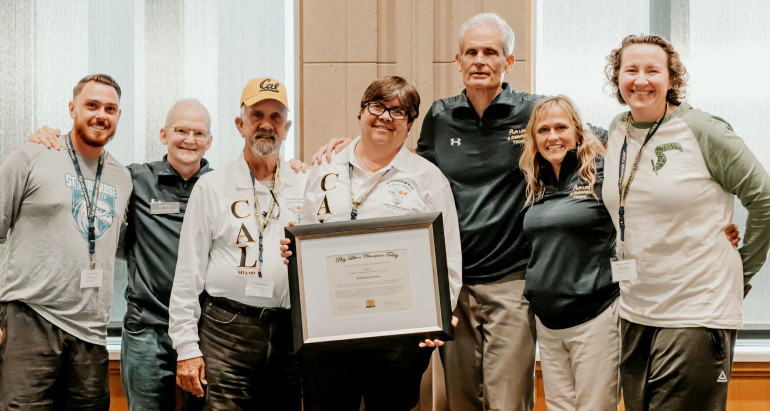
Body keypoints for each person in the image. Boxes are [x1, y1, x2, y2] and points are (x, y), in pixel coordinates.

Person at [312, 13, 541, 410]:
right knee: (461, 400)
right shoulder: (440, 114)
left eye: (491, 51)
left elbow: (578, 138)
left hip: (509, 280)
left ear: (509, 62)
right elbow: (410, 164)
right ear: (457, 60)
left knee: (506, 401)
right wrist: (361, 141)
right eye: (471, 51)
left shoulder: (534, 112)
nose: (480, 60)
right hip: (455, 286)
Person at [602, 35, 770, 410]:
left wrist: (743, 268)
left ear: (671, 79)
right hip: (636, 308)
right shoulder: (618, 130)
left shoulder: (704, 131)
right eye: (630, 70)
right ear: (617, 78)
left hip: (696, 308)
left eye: (652, 70)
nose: (640, 80)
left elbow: (765, 198)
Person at [279, 75, 462, 411]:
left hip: (399, 337)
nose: (386, 117)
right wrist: (293, 252)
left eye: (399, 112)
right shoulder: (323, 167)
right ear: (361, 112)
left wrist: (438, 317)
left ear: (410, 124)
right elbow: (304, 235)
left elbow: (448, 257)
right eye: (377, 107)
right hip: (328, 332)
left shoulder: (428, 179)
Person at [27, 99, 214, 411]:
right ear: (163, 135)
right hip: (146, 331)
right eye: (181, 130)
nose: (189, 140)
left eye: (198, 133)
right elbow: (82, 179)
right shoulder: (134, 180)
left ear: (209, 141)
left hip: (204, 333)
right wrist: (47, 143)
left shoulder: (219, 186)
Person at [168, 77, 306, 410]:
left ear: (287, 127)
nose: (266, 125)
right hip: (226, 331)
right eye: (257, 115)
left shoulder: (306, 183)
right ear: (240, 124)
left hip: (289, 332)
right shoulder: (211, 187)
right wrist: (187, 348)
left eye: (275, 117)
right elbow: (188, 271)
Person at [0, 74, 133, 410]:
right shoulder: (32, 155)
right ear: (72, 108)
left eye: (110, 108)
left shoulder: (122, 176)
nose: (101, 114)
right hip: (29, 321)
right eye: (91, 105)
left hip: (91, 331)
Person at [519, 95, 619, 410]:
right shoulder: (537, 181)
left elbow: (649, 212)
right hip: (548, 322)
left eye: (561, 127)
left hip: (595, 316)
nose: (552, 137)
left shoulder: (601, 173)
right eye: (543, 130)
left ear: (578, 130)